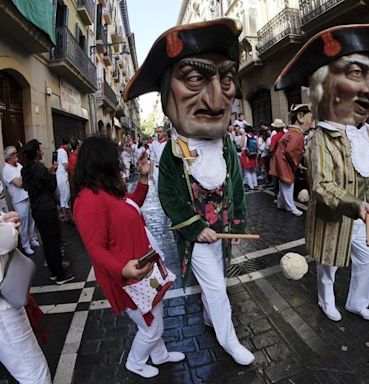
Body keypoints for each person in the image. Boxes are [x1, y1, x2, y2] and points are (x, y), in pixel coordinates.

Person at [123, 18, 255, 365]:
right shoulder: (171, 153)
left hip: (223, 233)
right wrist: (196, 227)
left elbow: (236, 185)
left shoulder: (226, 145)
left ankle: (213, 320)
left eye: (226, 79)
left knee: (219, 281)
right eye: (195, 79)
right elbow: (169, 198)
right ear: (168, 96)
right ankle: (229, 340)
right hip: (196, 236)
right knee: (214, 287)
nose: (215, 100)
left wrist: (238, 224)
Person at [275, 24, 369, 321]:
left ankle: (357, 302)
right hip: (333, 218)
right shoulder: (321, 137)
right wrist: (352, 204)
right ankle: (326, 301)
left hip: (363, 219)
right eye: (357, 74)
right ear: (325, 88)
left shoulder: (363, 133)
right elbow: (321, 185)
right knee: (328, 265)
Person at [72, 136, 185, 379]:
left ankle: (160, 355)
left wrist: (143, 178)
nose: (121, 162)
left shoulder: (106, 190)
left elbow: (131, 206)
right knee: (150, 326)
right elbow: (95, 247)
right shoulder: (87, 199)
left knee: (154, 315)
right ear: (102, 161)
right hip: (126, 277)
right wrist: (123, 270)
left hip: (140, 269)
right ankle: (135, 362)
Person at [0, 211, 52, 384]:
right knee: (34, 373)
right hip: (4, 309)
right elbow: (6, 239)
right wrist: (9, 226)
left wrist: (3, 221)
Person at [21, 140, 75, 285]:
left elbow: (27, 187)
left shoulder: (25, 169)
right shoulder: (40, 168)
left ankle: (53, 271)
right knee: (53, 242)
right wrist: (51, 173)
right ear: (36, 152)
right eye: (40, 149)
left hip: (36, 209)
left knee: (46, 241)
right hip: (46, 209)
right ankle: (60, 275)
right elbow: (51, 187)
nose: (42, 151)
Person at [270, 104, 315, 216]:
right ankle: (291, 207)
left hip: (281, 161)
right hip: (285, 163)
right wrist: (296, 163)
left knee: (283, 185)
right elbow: (291, 151)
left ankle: (281, 203)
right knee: (288, 185)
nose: (312, 123)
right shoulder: (297, 135)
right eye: (311, 119)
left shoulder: (292, 132)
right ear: (300, 117)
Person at [2, 146, 39, 255]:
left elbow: (25, 178)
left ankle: (33, 239)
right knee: (23, 223)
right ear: (9, 157)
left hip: (27, 196)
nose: (16, 155)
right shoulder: (6, 169)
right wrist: (26, 176)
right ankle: (25, 244)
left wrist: (25, 177)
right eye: (14, 154)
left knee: (31, 220)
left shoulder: (19, 165)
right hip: (19, 200)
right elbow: (19, 183)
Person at [56, 137, 71, 222]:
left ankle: (65, 216)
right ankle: (70, 216)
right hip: (63, 177)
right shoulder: (63, 152)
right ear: (67, 144)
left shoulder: (58, 150)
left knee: (63, 197)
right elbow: (66, 166)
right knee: (67, 197)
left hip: (59, 177)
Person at [149, 126, 168, 192]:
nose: (158, 133)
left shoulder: (168, 143)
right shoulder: (154, 143)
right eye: (157, 132)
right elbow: (152, 158)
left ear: (164, 132)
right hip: (156, 170)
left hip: (166, 170)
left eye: (160, 131)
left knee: (167, 190)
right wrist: (151, 172)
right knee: (157, 190)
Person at [240, 125, 258, 190]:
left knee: (247, 170)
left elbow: (241, 144)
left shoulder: (245, 136)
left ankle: (251, 185)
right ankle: (255, 184)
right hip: (253, 154)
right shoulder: (254, 137)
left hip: (246, 154)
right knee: (253, 170)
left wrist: (242, 135)